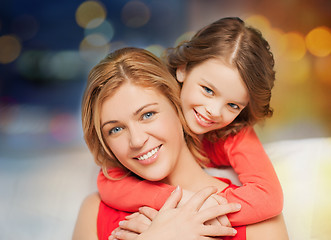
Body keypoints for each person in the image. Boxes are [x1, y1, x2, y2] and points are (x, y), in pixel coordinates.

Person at [73, 47, 288, 240]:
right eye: (116, 129)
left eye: (148, 114)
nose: (137, 140)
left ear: (177, 104)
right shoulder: (94, 211)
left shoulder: (258, 222)